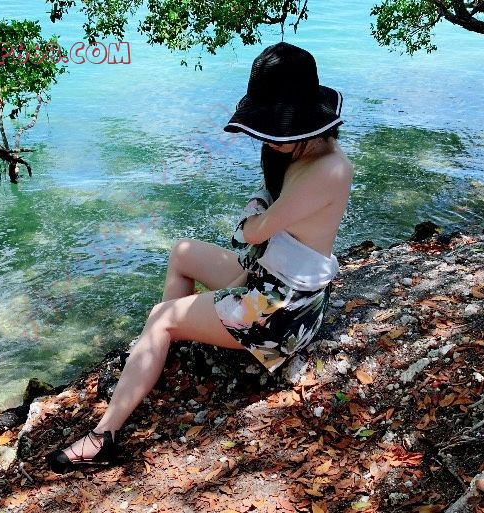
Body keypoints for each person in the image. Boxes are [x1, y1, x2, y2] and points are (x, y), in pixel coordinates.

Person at [45, 41, 353, 474]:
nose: (265, 137)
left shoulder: (329, 169)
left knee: (161, 317)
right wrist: (257, 211)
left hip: (282, 312)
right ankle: (162, 349)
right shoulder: (300, 150)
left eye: (271, 126)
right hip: (267, 276)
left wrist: (252, 214)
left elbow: (253, 232)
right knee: (182, 252)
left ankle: (104, 435)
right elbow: (263, 222)